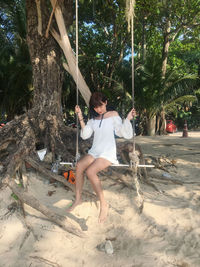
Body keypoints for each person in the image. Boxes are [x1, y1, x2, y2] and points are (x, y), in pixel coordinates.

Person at [67, 92, 136, 223]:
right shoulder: (93, 120)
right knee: (79, 166)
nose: (99, 109)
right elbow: (85, 135)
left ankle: (103, 204)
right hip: (95, 151)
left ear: (105, 102)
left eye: (101, 105)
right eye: (96, 107)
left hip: (107, 152)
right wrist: (80, 116)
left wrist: (128, 119)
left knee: (90, 171)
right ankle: (78, 199)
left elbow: (121, 131)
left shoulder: (113, 115)